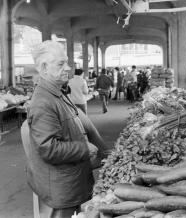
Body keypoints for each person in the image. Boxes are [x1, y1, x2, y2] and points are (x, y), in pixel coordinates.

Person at [21, 40, 108, 218]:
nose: (68, 67)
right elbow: (49, 149)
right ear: (44, 68)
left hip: (72, 182)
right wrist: (85, 148)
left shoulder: (58, 92)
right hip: (62, 189)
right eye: (61, 64)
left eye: (67, 62)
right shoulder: (44, 102)